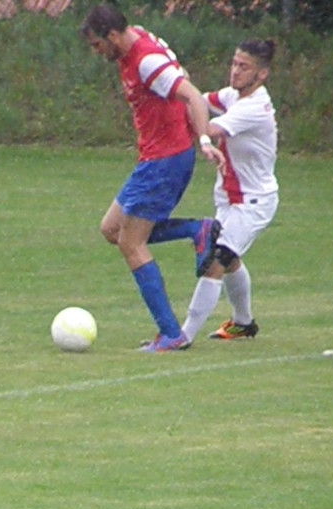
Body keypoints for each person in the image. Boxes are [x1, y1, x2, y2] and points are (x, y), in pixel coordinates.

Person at [81, 4, 223, 352]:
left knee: (131, 243)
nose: (96, 52)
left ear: (113, 36)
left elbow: (191, 94)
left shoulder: (145, 60)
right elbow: (177, 71)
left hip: (165, 160)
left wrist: (204, 139)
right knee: (111, 229)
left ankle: (171, 333)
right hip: (153, 159)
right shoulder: (138, 38)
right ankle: (196, 229)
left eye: (98, 44)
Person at [179, 38, 279, 343]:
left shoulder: (254, 107)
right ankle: (243, 323)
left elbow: (209, 128)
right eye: (234, 63)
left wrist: (184, 95)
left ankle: (182, 336)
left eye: (243, 67)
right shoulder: (232, 96)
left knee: (216, 260)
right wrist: (179, 85)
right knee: (230, 259)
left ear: (261, 74)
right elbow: (199, 101)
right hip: (229, 199)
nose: (235, 71)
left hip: (253, 202)